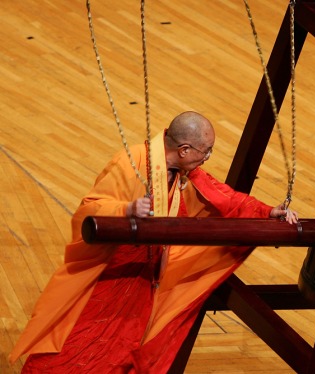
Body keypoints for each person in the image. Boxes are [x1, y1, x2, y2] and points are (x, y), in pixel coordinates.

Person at [10, 111, 298, 373]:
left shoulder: (187, 173)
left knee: (123, 350)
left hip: (145, 280)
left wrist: (266, 212)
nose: (207, 158)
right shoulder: (132, 161)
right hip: (109, 275)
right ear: (184, 150)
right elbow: (88, 209)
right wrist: (127, 209)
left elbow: (225, 197)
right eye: (206, 151)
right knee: (76, 347)